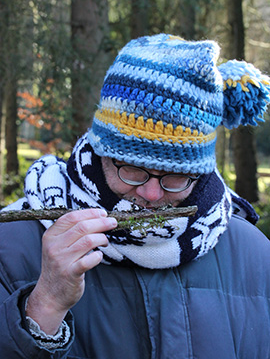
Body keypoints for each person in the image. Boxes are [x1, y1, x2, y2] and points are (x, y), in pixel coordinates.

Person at [0, 34, 270, 359]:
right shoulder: (13, 245)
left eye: (176, 176)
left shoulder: (254, 256)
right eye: (132, 169)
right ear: (101, 151)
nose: (151, 193)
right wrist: (44, 306)